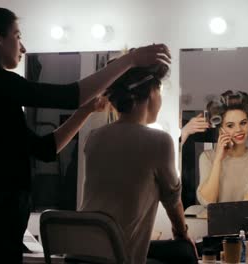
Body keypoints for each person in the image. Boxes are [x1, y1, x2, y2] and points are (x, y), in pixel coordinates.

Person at [0, 6, 171, 264]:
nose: (22, 47)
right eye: (18, 35)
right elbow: (70, 95)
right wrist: (131, 60)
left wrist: (86, 111)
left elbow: (46, 149)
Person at [80, 58, 197, 264]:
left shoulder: (94, 137)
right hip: (119, 257)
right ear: (152, 93)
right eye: (159, 91)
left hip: (82, 252)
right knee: (184, 252)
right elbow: (172, 200)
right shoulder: (159, 140)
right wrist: (182, 234)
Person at [197, 90, 248, 205]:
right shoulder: (207, 157)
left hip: (243, 222)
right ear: (221, 129)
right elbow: (207, 202)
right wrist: (218, 160)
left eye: (243, 123)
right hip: (211, 223)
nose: (239, 130)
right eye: (230, 125)